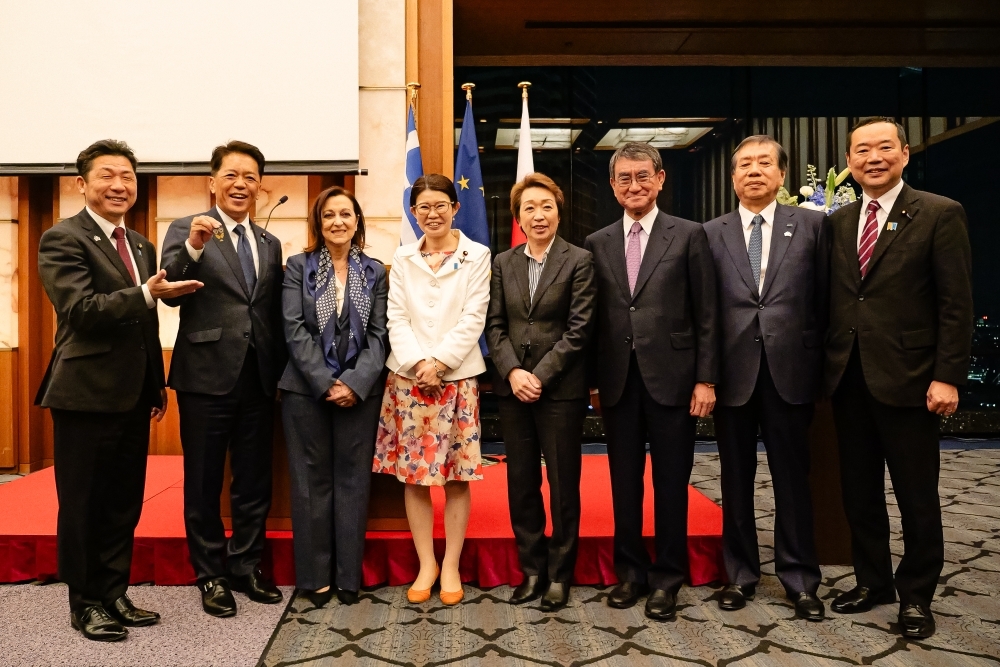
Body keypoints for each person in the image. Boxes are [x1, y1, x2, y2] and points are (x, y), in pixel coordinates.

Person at [36, 140, 202, 641]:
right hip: (85, 394)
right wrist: (148, 293)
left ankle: (114, 591)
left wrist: (155, 385)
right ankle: (85, 601)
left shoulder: (141, 245)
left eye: (127, 176)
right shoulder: (62, 238)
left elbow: (143, 323)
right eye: (107, 175)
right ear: (82, 184)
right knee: (84, 503)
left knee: (124, 503)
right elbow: (81, 311)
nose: (119, 185)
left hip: (132, 394)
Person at [825, 117, 973, 639]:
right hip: (848, 378)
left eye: (884, 147)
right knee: (859, 491)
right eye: (862, 150)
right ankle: (872, 582)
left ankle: (916, 595)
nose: (874, 158)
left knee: (916, 495)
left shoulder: (938, 213)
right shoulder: (838, 222)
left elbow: (956, 304)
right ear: (849, 161)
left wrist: (947, 376)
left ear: (904, 154)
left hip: (911, 380)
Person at [584, 142, 719, 621]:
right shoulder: (597, 242)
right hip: (619, 382)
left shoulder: (690, 234)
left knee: (671, 484)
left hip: (674, 381)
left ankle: (667, 578)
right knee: (624, 484)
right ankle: (630, 573)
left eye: (643, 176)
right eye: (624, 178)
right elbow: (594, 321)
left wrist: (706, 379)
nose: (634, 185)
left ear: (661, 179)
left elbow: (707, 314)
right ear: (612, 185)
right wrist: (593, 384)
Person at [703, 135, 829, 621]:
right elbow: (704, 312)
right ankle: (741, 574)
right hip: (732, 374)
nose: (754, 171)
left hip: (791, 372)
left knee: (792, 480)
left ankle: (800, 579)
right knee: (735, 480)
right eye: (745, 165)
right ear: (733, 177)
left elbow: (826, 301)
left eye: (764, 163)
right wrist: (705, 375)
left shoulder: (814, 226)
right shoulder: (709, 233)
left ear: (781, 174)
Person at [160, 141, 287, 617]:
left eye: (250, 177)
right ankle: (209, 574)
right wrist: (195, 246)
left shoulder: (270, 242)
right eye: (231, 175)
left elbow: (268, 310)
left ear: (259, 186)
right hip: (205, 376)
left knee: (253, 480)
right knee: (204, 481)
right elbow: (169, 290)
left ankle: (246, 565)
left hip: (259, 377)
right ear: (211, 182)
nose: (240, 184)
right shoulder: (188, 229)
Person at [372, 173, 491, 606]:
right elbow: (396, 317)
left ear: (455, 208)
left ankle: (452, 563)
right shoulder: (403, 257)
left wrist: (439, 363)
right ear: (413, 212)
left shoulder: (477, 255)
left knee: (457, 477)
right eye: (423, 206)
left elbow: (474, 316)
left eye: (441, 205)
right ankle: (427, 563)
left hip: (457, 378)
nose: (432, 213)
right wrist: (419, 364)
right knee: (415, 476)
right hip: (408, 380)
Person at [486, 173, 596, 611]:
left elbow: (580, 329)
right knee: (522, 482)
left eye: (546, 206)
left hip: (560, 390)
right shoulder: (503, 262)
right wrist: (513, 372)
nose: (538, 215)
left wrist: (540, 375)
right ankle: (532, 569)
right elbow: (494, 325)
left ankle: (560, 573)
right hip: (513, 390)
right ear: (518, 217)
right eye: (529, 207)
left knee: (563, 484)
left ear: (558, 212)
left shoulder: (579, 260)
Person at [279, 186, 388, 608]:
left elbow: (379, 335)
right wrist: (325, 382)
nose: (338, 222)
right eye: (329, 215)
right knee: (310, 482)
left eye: (345, 214)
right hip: (305, 390)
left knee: (353, 481)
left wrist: (354, 383)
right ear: (318, 223)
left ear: (357, 221)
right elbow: (293, 329)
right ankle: (314, 577)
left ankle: (348, 577)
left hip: (361, 392)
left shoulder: (375, 272)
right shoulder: (298, 266)